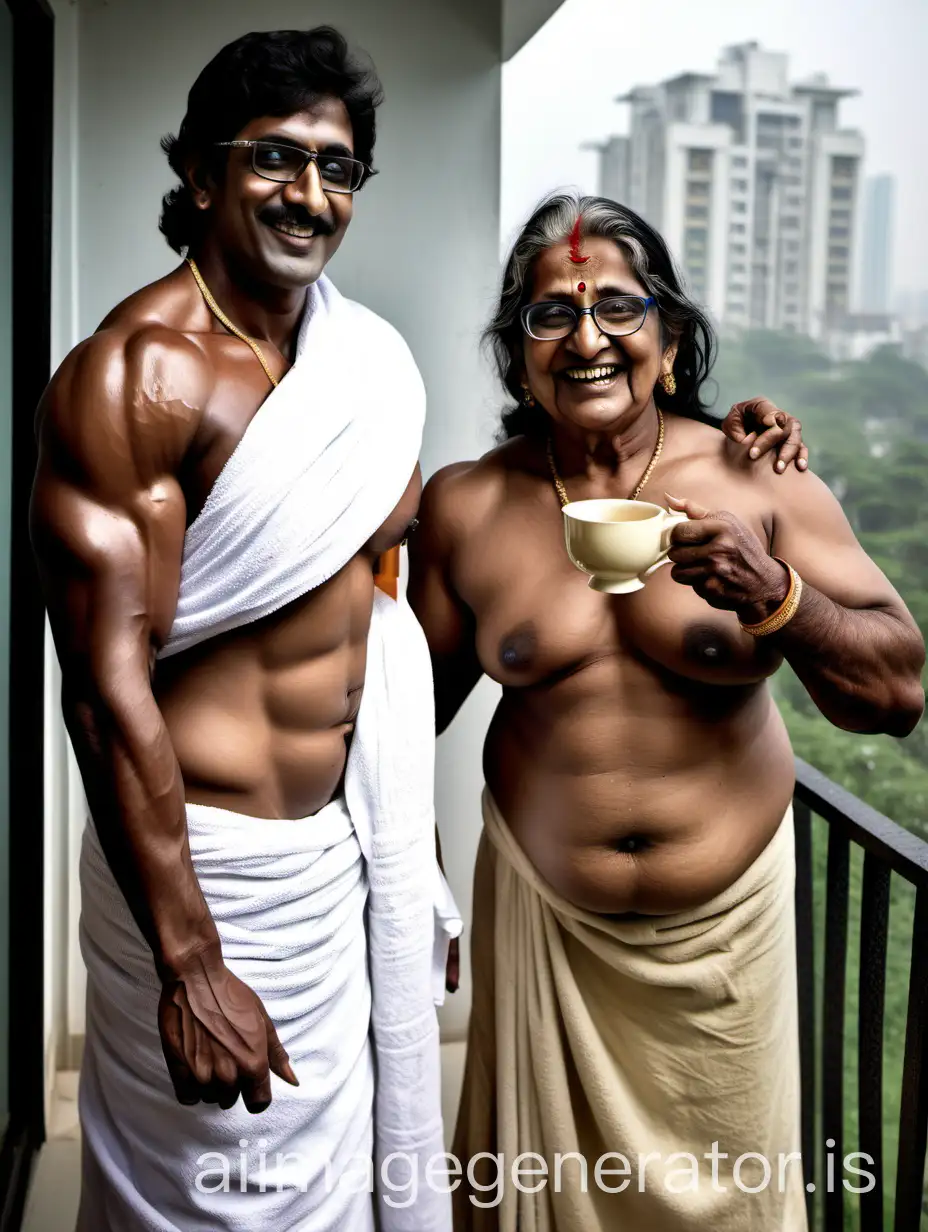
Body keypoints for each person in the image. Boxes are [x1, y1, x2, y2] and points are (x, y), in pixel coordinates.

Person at [408, 194, 925, 1232]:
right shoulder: (467, 505)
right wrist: (407, 862)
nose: (587, 339)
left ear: (671, 338)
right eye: (551, 315)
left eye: (617, 309)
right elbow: (397, 710)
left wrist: (775, 594)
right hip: (543, 929)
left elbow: (897, 691)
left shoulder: (754, 475)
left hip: (722, 952)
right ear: (518, 356)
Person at [30, 27, 459, 1232]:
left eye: (337, 167)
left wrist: (409, 858)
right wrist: (192, 964)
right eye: (276, 158)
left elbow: (370, 623)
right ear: (204, 174)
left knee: (326, 1200)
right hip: (199, 874)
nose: (310, 194)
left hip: (328, 862)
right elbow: (102, 696)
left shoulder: (363, 365)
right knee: (205, 1205)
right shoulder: (135, 377)